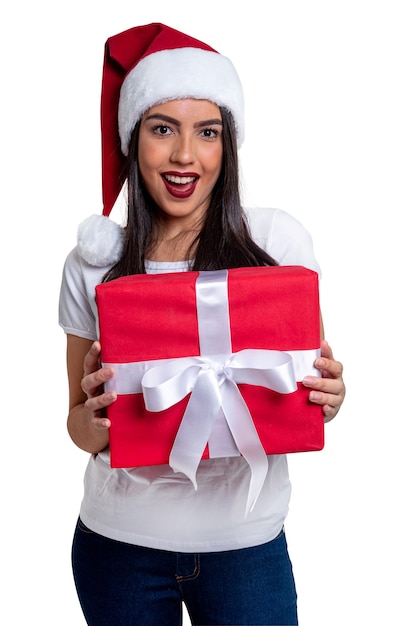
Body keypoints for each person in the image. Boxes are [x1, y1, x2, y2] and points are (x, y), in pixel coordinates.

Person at [59, 23, 345, 626]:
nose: (185, 155)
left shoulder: (276, 241)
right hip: (119, 547)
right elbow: (81, 431)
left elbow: (311, 385)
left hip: (247, 545)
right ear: (134, 139)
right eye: (163, 129)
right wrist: (93, 413)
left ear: (227, 146)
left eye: (207, 133)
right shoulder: (94, 264)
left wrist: (331, 394)